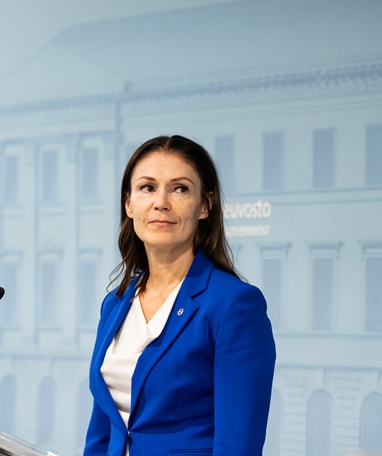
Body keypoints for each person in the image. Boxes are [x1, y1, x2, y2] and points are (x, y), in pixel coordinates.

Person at [83, 135, 276, 456]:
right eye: (147, 187)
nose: (161, 202)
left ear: (205, 205)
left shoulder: (234, 305)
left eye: (180, 189)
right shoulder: (115, 303)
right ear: (129, 204)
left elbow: (238, 445)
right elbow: (102, 432)